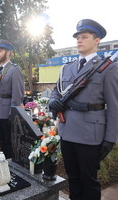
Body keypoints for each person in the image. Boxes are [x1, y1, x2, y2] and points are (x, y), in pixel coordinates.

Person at [49, 19, 118, 200]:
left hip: (90, 135)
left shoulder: (108, 68)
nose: (79, 40)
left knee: (89, 182)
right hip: (67, 132)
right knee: (73, 180)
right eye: (78, 37)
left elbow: (114, 106)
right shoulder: (67, 68)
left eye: (84, 37)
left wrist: (110, 139)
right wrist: (53, 102)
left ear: (97, 41)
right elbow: (56, 91)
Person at [0, 39, 24, 159]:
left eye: (0, 51)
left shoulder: (14, 69)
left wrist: (13, 113)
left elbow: (18, 94)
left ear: (8, 53)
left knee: (9, 143)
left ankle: (11, 167)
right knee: (2, 141)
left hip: (7, 112)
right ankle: (3, 165)